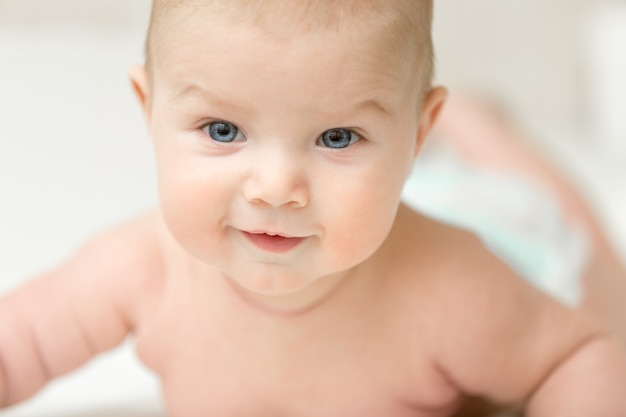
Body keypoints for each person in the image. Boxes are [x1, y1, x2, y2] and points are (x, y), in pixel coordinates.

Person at [0, 1, 625, 416]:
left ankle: (481, 123)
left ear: (414, 133)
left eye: (337, 137)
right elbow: (18, 343)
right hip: (363, 211)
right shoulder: (140, 269)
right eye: (222, 130)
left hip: (500, 233)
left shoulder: (453, 291)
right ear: (149, 109)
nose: (275, 189)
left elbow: (582, 354)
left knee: (599, 277)